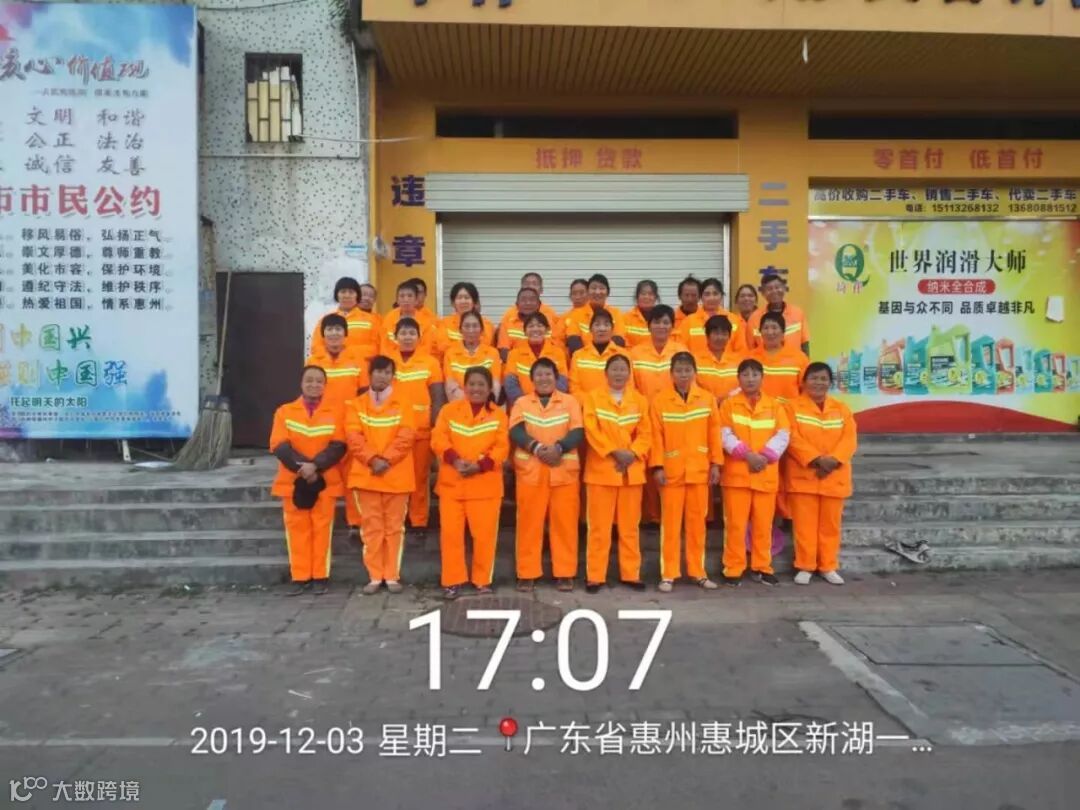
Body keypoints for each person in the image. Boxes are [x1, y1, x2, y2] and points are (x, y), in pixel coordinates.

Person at [431, 366, 509, 599]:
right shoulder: (448, 411)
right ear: (464, 387)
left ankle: (482, 580)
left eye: (481, 384)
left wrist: (480, 465)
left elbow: (502, 447)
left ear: (490, 388)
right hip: (452, 484)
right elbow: (438, 439)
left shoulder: (499, 415)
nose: (476, 389)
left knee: (484, 537)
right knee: (451, 536)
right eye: (472, 384)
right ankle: (452, 581)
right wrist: (455, 460)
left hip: (485, 486)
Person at [269, 365, 346, 596]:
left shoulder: (336, 412)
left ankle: (320, 576)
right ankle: (300, 577)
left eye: (319, 381)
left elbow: (338, 445)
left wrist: (316, 466)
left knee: (322, 530)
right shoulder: (284, 412)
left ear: (325, 385)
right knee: (297, 530)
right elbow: (279, 445)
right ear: (301, 383)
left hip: (325, 481)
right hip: (293, 481)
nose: (314, 385)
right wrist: (304, 468)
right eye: (309, 380)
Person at [509, 358, 585, 592]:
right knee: (529, 524)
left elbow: (577, 431)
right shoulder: (522, 402)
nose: (544, 379)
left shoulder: (570, 402)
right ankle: (526, 573)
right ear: (532, 380)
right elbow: (516, 431)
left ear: (556, 378)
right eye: (539, 375)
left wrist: (559, 448)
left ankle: (565, 573)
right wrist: (538, 448)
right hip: (531, 472)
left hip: (564, 472)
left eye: (548, 374)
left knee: (565, 524)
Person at [649, 353, 722, 592]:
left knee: (697, 525)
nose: (683, 374)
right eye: (679, 370)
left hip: (699, 471)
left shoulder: (707, 399)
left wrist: (716, 463)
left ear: (694, 372)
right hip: (671, 472)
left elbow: (714, 433)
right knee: (670, 526)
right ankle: (668, 574)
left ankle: (698, 572)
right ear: (671, 373)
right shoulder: (660, 401)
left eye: (687, 370)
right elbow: (656, 436)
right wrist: (657, 466)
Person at [345, 355, 416, 596]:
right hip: (367, 475)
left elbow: (407, 436)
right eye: (378, 371)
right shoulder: (356, 404)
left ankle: (392, 575)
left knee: (394, 528)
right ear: (369, 374)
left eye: (387, 372)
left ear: (393, 376)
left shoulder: (404, 403)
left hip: (396, 475)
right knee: (371, 528)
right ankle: (375, 576)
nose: (382, 376)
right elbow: (353, 437)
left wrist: (386, 459)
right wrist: (372, 460)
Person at [719, 359, 791, 587]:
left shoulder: (775, 406)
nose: (750, 379)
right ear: (738, 378)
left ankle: (762, 566)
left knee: (763, 525)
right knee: (736, 525)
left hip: (765, 473)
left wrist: (765, 456)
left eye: (755, 374)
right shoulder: (728, 405)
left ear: (762, 378)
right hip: (737, 475)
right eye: (745, 375)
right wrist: (746, 454)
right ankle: (733, 568)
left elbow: (783, 434)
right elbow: (723, 433)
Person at [582, 354, 651, 593]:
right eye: (615, 369)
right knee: (599, 528)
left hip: (631, 471)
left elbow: (646, 433)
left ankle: (631, 574)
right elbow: (592, 430)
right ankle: (595, 576)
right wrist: (614, 452)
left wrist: (632, 453)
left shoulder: (639, 400)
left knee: (630, 527)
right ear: (606, 373)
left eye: (623, 369)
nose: (619, 373)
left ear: (629, 373)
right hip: (602, 470)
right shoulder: (593, 398)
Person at [784, 363, 857, 586]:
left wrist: (833, 460)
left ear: (830, 383)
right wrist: (816, 459)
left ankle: (828, 566)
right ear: (804, 382)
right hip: (805, 474)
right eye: (814, 378)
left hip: (834, 475)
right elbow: (792, 438)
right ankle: (805, 565)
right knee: (804, 526)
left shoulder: (842, 408)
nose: (818, 383)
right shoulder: (791, 407)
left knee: (830, 526)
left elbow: (849, 439)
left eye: (824, 379)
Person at [306, 313, 370, 534]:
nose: (334, 333)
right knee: (325, 472)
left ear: (345, 333)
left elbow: (364, 393)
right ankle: (323, 522)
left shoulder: (357, 359)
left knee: (353, 475)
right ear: (323, 334)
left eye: (338, 329)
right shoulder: (314, 361)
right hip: (322, 427)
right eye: (330, 329)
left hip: (350, 424)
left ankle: (355, 521)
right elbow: (307, 395)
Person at [386, 317, 445, 531]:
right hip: (393, 431)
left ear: (419, 337)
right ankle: (397, 519)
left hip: (421, 430)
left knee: (420, 477)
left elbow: (437, 396)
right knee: (396, 477)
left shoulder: (430, 362)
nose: (407, 337)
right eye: (403, 333)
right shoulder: (387, 361)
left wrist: (435, 424)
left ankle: (419, 521)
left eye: (412, 333)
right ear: (395, 337)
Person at [630, 304, 687, 524]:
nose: (661, 326)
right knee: (645, 466)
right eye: (657, 322)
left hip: (673, 417)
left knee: (670, 465)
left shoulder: (681, 351)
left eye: (666, 322)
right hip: (643, 417)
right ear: (649, 325)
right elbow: (631, 387)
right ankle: (649, 516)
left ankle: (669, 516)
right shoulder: (635, 353)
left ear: (672, 326)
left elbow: (687, 382)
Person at [503, 312, 568, 409]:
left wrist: (546, 403)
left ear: (547, 330)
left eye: (539, 325)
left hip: (552, 409)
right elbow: (510, 385)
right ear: (525, 331)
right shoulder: (514, 354)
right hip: (522, 408)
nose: (535, 329)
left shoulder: (558, 353)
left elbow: (562, 382)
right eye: (531, 326)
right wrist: (528, 405)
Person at [310, 277, 380, 360]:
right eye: (343, 292)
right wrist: (334, 356)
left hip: (361, 367)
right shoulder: (326, 320)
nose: (347, 295)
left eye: (351, 292)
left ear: (357, 296)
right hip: (332, 367)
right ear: (337, 295)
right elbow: (316, 347)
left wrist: (346, 352)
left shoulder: (372, 320)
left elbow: (377, 348)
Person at [568, 308, 630, 398]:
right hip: (585, 405)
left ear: (612, 329)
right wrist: (591, 403)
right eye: (597, 325)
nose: (602, 329)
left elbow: (629, 386)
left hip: (614, 406)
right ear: (590, 329)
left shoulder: (623, 355)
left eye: (606, 325)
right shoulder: (578, 356)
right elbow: (574, 388)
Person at [443, 310, 502, 402]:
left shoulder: (493, 353)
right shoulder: (450, 354)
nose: (471, 330)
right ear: (460, 330)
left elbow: (495, 385)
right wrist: (470, 403)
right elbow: (451, 385)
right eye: (467, 326)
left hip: (485, 405)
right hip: (459, 404)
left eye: (475, 326)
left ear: (481, 330)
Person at [753, 311, 810, 406]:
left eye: (774, 328)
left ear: (783, 331)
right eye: (766, 328)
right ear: (760, 332)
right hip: (759, 413)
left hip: (789, 412)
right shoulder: (750, 358)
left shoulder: (799, 358)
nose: (770, 332)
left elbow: (806, 391)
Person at [564, 273, 626, 354]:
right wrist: (591, 357)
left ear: (608, 292)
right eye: (593, 288)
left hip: (610, 358)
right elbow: (573, 340)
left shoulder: (616, 313)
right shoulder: (576, 314)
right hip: (584, 359)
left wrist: (604, 357)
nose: (597, 292)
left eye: (602, 288)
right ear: (587, 292)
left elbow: (619, 340)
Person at [749, 273, 810, 354]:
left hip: (793, 361)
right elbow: (750, 348)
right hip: (764, 361)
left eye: (777, 287)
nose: (774, 291)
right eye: (769, 289)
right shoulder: (754, 318)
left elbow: (805, 344)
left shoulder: (798, 313)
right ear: (763, 293)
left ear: (784, 288)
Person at [432, 282, 494, 360]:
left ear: (474, 302)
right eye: (459, 298)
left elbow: (487, 347)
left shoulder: (486, 324)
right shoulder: (444, 324)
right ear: (453, 303)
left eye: (467, 297)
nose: (463, 301)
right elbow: (442, 348)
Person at [677, 277, 733, 355]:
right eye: (707, 294)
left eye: (715, 294)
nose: (711, 298)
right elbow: (680, 349)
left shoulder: (734, 320)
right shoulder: (688, 322)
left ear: (721, 296)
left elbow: (741, 351)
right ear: (701, 297)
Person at [694, 314, 742, 402]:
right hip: (705, 407)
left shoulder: (738, 361)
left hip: (732, 407)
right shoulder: (695, 360)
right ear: (707, 335)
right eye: (715, 333)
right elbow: (693, 388)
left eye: (724, 334)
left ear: (729, 336)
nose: (720, 337)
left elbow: (742, 387)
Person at [497, 273, 559, 341]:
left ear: (541, 290)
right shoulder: (510, 313)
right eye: (527, 284)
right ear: (521, 289)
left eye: (535, 284)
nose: (530, 286)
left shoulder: (550, 313)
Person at [381, 281, 434, 355]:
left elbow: (426, 347)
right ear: (397, 300)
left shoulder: (426, 321)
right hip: (392, 358)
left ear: (416, 300)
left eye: (410, 296)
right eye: (402, 296)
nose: (406, 299)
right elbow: (384, 345)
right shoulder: (389, 318)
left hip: (418, 359)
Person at [497, 287, 552, 360]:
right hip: (516, 364)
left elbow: (556, 349)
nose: (528, 303)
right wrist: (525, 362)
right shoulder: (508, 324)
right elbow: (503, 353)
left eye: (532, 299)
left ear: (539, 304)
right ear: (517, 305)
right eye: (523, 300)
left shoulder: (549, 323)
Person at [624, 280, 659, 349]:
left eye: (650, 294)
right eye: (643, 294)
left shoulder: (661, 318)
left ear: (656, 297)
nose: (646, 297)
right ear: (637, 297)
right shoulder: (625, 318)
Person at [728, 283, 758, 357]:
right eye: (742, 296)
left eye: (750, 296)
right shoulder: (730, 322)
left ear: (755, 300)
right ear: (736, 301)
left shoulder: (763, 321)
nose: (746, 299)